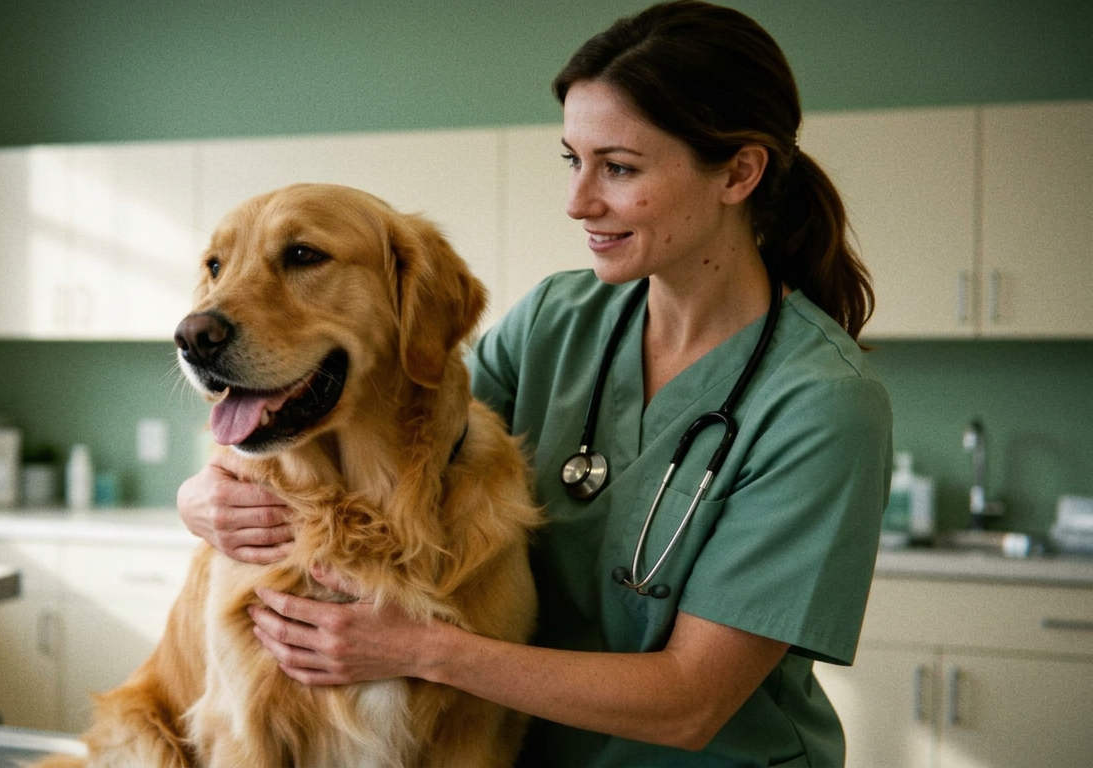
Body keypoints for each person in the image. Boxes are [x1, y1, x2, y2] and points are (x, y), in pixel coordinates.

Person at [177, 1, 893, 765]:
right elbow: (419, 445)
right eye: (572, 161)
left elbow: (694, 702)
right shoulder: (558, 318)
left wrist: (424, 651)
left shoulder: (820, 402)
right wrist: (203, 496)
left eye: (618, 168)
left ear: (739, 172)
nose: (579, 203)